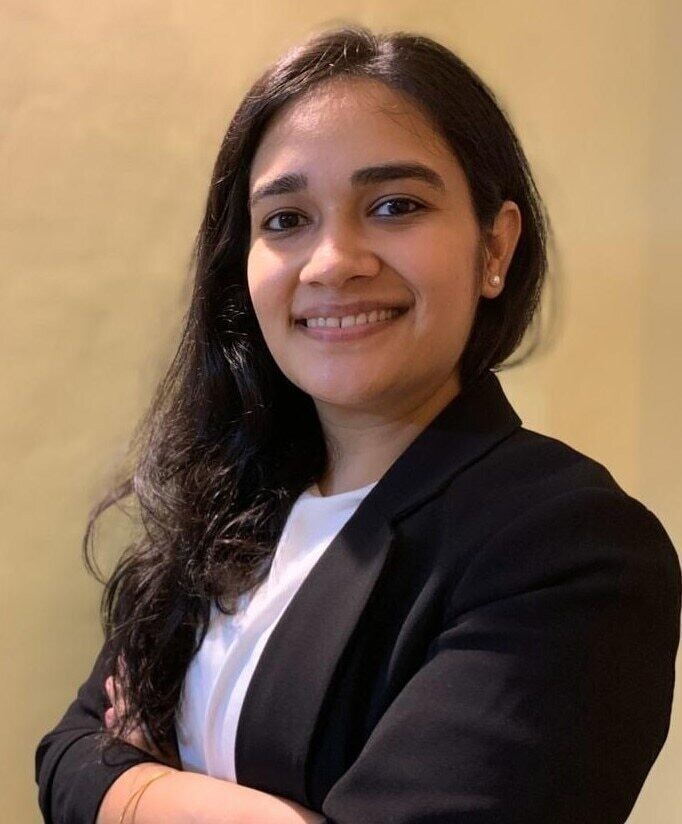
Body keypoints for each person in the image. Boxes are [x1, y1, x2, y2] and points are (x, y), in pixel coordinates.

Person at [35, 24, 681, 824]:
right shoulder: (231, 501)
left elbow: (95, 772)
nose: (334, 260)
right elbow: (67, 756)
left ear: (494, 247)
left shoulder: (570, 547)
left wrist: (134, 785)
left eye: (395, 206)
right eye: (286, 219)